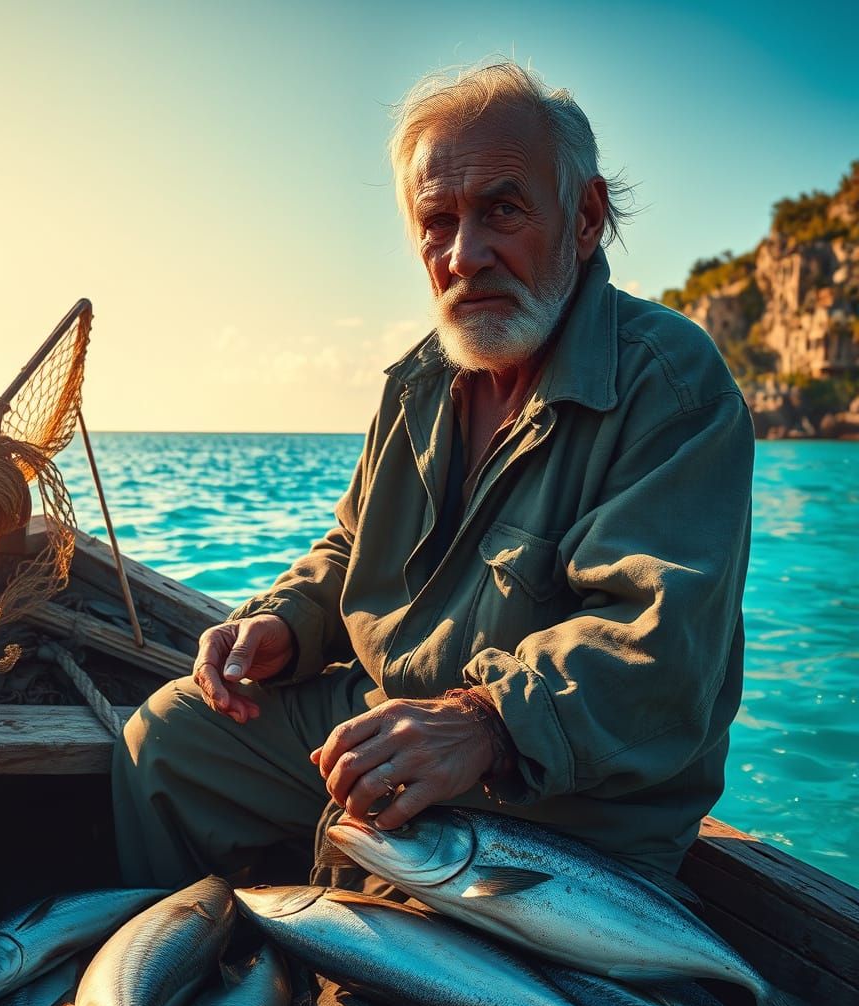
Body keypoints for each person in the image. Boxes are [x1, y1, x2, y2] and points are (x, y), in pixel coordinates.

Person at [113, 61, 754, 892]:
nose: (464, 254)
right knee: (170, 740)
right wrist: (284, 621)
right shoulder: (420, 380)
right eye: (437, 221)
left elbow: (657, 648)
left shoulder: (669, 385)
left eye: (502, 211)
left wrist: (483, 724)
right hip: (393, 720)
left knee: (369, 969)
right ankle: (183, 958)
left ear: (585, 217)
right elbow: (353, 544)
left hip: (564, 801)